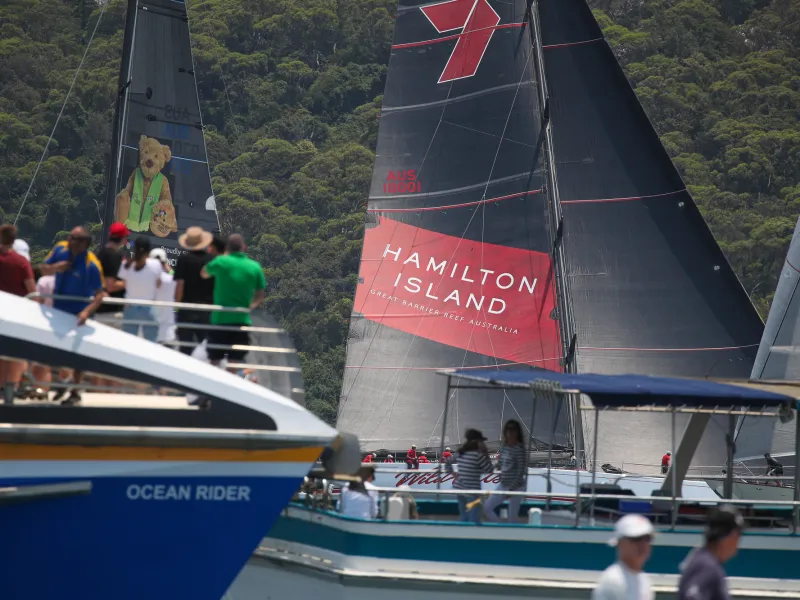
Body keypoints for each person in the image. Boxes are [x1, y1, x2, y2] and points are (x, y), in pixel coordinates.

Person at [38, 226, 106, 405]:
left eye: (74, 238)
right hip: (58, 311)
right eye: (70, 237)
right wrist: (55, 268)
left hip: (79, 315)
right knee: (56, 350)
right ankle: (64, 381)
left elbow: (100, 295)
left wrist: (86, 312)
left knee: (78, 355)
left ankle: (75, 391)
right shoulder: (60, 249)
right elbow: (42, 269)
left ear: (84, 243)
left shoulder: (92, 265)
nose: (70, 241)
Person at [200, 234, 265, 371]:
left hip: (220, 319)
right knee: (234, 362)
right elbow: (259, 295)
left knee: (214, 360)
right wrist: (250, 306)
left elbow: (204, 273)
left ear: (227, 248)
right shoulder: (254, 267)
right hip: (241, 320)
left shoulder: (221, 262)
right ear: (244, 248)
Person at [0, 225, 35, 404]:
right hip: (17, 314)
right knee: (14, 354)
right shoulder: (21, 262)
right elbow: (32, 290)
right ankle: (11, 387)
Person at [678, 505, 744, 600]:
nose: (736, 548)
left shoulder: (701, 559)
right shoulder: (706, 566)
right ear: (731, 536)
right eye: (738, 537)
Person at [592, 514, 655, 600]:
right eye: (636, 539)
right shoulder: (612, 581)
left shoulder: (644, 581)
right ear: (619, 543)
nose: (643, 544)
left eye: (647, 539)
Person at [174, 226, 215, 355]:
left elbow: (180, 285)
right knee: (205, 348)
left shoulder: (183, 259)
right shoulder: (211, 260)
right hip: (206, 311)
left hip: (186, 309)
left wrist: (177, 304)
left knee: (185, 348)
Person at [117, 237, 162, 342]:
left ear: (135, 248)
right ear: (149, 250)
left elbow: (123, 284)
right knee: (151, 342)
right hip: (149, 307)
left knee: (128, 341)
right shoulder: (156, 264)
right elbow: (159, 284)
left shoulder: (126, 265)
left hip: (131, 307)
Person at [446, 428, 493, 524]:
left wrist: (453, 473)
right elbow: (489, 469)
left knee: (464, 516)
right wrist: (485, 453)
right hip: (472, 490)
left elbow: (447, 462)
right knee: (474, 517)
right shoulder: (478, 455)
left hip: (460, 488)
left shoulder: (461, 452)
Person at [484, 419, 527, 523]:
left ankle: (512, 532)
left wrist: (511, 489)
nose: (510, 432)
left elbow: (521, 471)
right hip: (504, 484)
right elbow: (499, 464)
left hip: (516, 487)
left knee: (512, 517)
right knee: (487, 508)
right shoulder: (504, 447)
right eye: (508, 429)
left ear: (517, 432)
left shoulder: (520, 449)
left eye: (513, 429)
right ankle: (499, 528)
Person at [93, 222, 130, 329]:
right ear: (123, 238)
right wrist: (128, 282)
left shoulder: (101, 253)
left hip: (101, 309)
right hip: (111, 312)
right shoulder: (114, 255)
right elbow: (110, 285)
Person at [149, 248, 177, 346]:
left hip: (148, 331)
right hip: (167, 333)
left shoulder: (145, 279)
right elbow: (175, 276)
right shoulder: (171, 280)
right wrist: (168, 268)